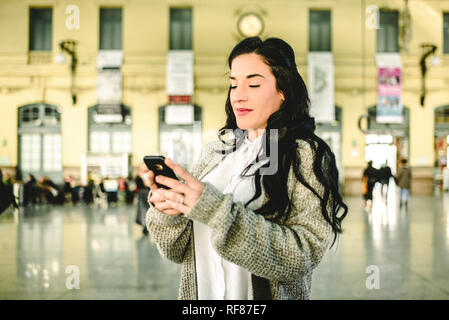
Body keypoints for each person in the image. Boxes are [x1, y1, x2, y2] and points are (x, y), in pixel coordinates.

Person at [145, 37, 348, 300]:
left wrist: (215, 208)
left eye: (253, 84)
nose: (239, 95)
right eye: (233, 84)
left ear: (283, 91)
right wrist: (170, 210)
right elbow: (177, 252)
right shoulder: (215, 152)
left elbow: (303, 254)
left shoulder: (305, 154)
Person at [135, 163, 150, 235]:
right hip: (142, 194)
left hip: (148, 193)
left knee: (148, 209)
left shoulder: (149, 174)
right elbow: (138, 184)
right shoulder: (139, 175)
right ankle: (144, 224)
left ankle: (147, 224)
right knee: (142, 209)